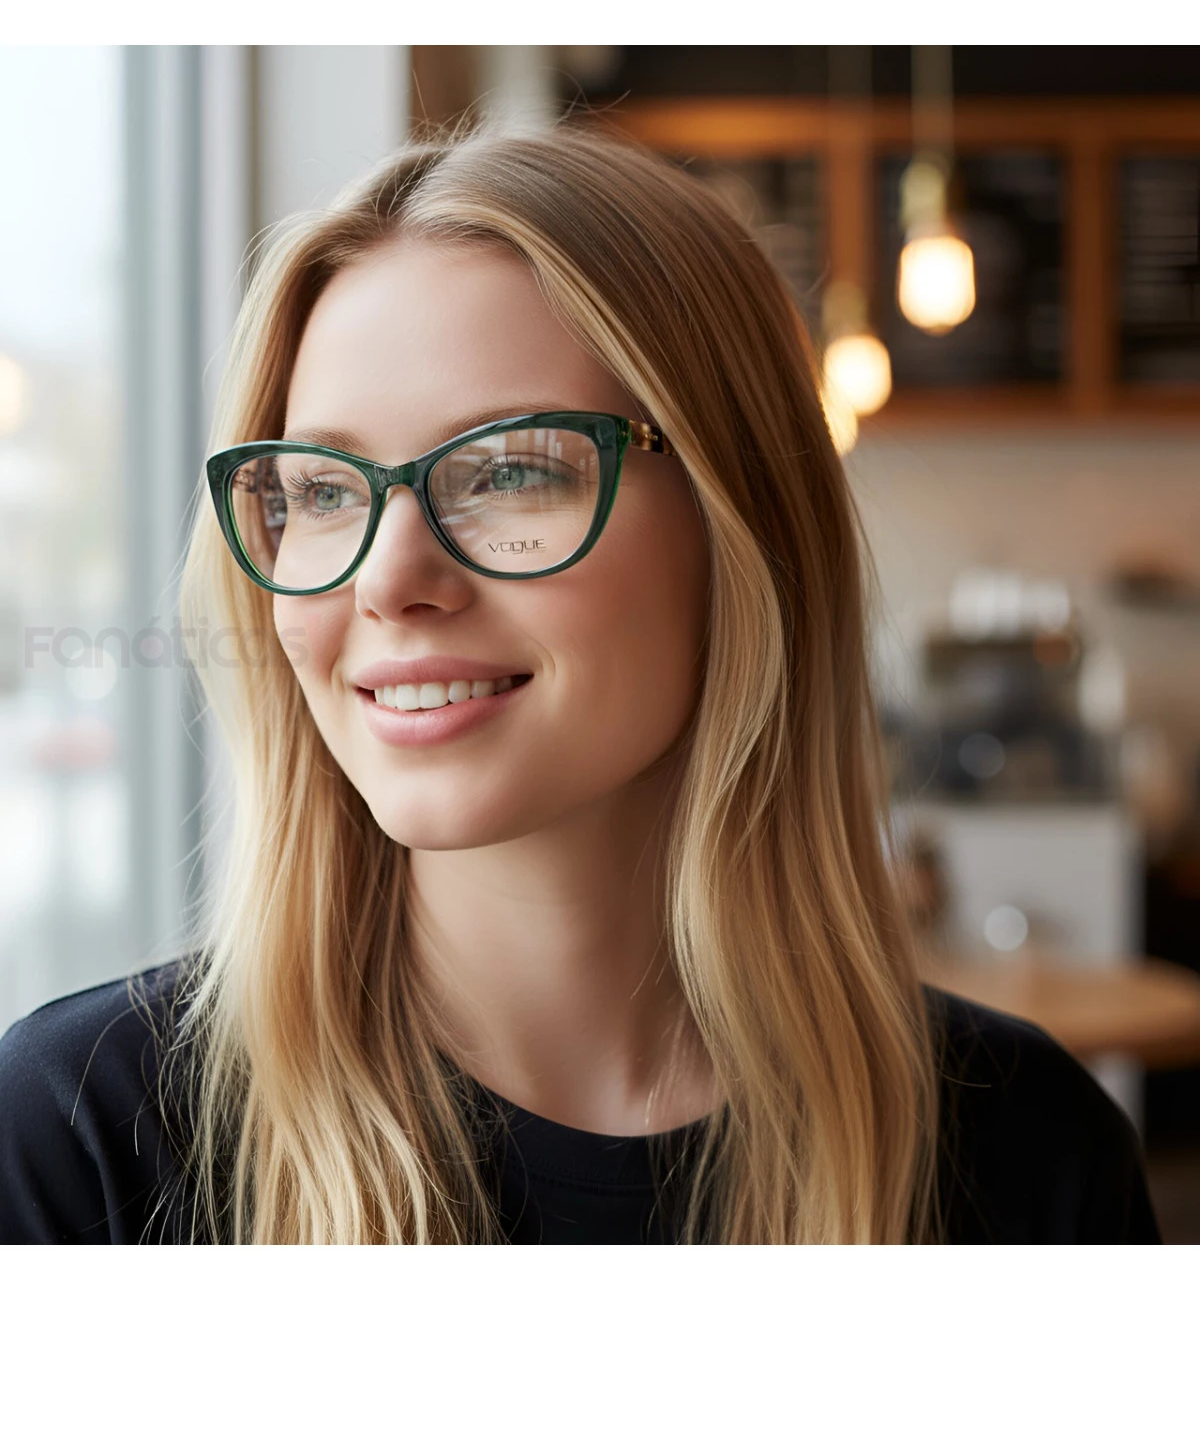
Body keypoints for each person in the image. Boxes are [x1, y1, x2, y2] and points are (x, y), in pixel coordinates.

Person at [0, 120, 1161, 1245]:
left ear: (736, 521)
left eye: (510, 470)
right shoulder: (79, 1150)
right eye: (319, 490)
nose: (390, 579)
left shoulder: (1031, 1158)